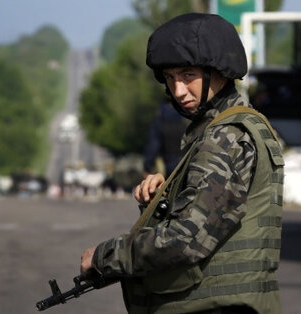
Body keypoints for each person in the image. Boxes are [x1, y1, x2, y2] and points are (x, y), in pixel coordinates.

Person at [80, 13, 284, 314]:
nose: (177, 90)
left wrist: (105, 256)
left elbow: (185, 240)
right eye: (170, 78)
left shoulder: (223, 138)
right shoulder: (242, 125)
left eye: (187, 75)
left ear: (220, 71)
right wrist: (169, 196)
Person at [143, 101, 188, 178]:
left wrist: (148, 167)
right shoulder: (185, 120)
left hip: (166, 166)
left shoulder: (159, 123)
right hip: (184, 164)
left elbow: (153, 146)